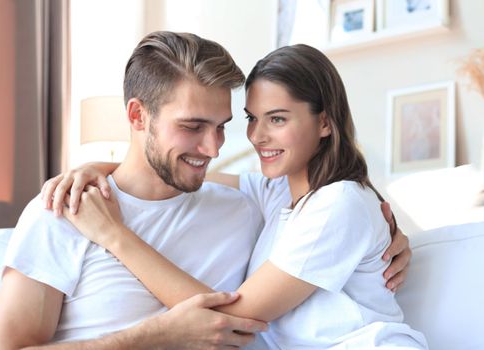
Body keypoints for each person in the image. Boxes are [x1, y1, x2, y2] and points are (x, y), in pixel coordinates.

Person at [46, 44, 426, 349]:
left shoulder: (338, 203)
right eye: (251, 119)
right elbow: (181, 169)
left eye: (277, 119)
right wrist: (97, 167)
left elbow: (229, 320)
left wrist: (115, 237)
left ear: (325, 122)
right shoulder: (278, 194)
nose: (258, 136)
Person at [0, 31, 269, 349]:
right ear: (137, 116)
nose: (213, 149)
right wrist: (161, 335)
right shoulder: (62, 210)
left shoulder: (242, 211)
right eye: (192, 127)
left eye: (221, 127)